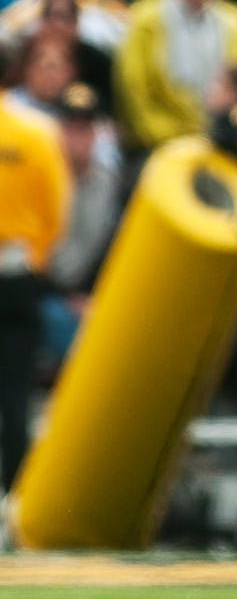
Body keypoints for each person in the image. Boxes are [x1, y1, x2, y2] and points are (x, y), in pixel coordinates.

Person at [113, 0, 237, 188]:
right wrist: (175, 140)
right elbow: (134, 95)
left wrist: (224, 136)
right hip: (160, 146)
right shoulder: (144, 19)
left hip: (222, 143)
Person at [0, 40, 71, 492]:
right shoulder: (37, 132)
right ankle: (12, 495)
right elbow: (56, 209)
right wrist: (37, 257)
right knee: (16, 389)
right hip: (18, 267)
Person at [39, 82, 122, 378]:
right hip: (45, 295)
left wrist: (91, 295)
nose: (78, 138)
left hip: (92, 297)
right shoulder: (43, 177)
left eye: (85, 128)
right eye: (71, 127)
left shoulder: (111, 184)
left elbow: (116, 249)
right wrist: (65, 295)